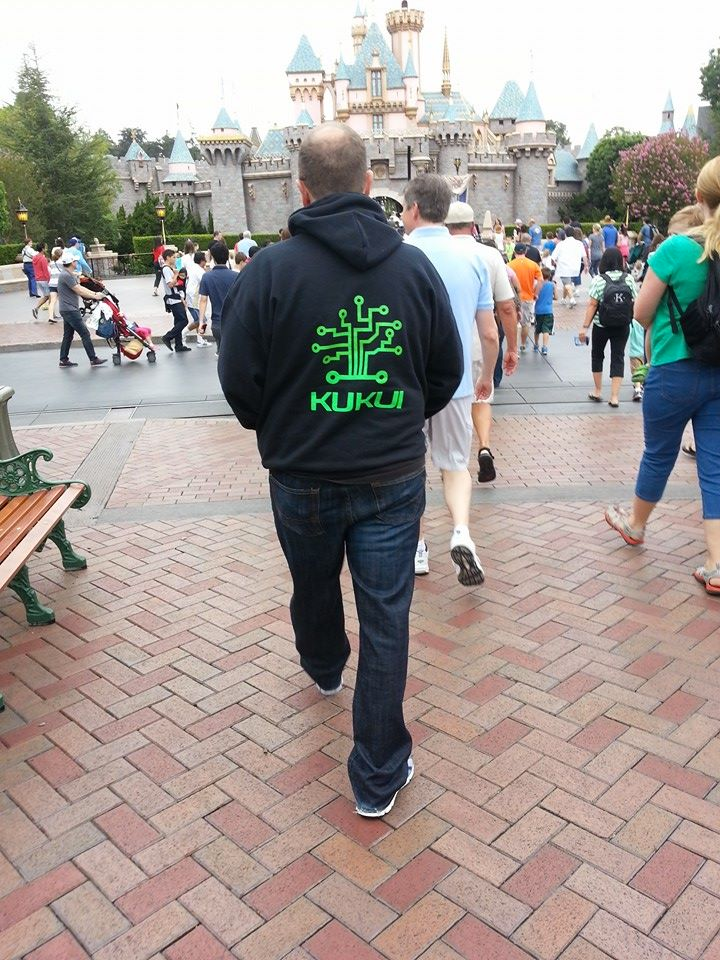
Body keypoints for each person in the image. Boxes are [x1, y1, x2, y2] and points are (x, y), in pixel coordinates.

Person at [218, 122, 463, 817]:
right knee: (387, 618)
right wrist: (396, 418)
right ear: (368, 184)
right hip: (391, 478)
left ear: (301, 191)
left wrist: (280, 426)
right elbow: (445, 370)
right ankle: (378, 773)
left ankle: (324, 664)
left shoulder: (268, 272)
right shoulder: (413, 270)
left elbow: (238, 378)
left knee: (313, 582)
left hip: (301, 475)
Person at [606, 156, 720, 596]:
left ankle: (635, 525)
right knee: (714, 466)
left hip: (673, 370)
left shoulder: (676, 249)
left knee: (658, 454)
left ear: (698, 197)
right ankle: (715, 563)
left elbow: (640, 312)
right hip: (718, 373)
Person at [403, 177, 497, 583]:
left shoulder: (397, 255)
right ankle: (461, 531)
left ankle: (418, 548)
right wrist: (485, 376)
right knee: (455, 465)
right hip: (455, 384)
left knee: (410, 470)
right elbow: (489, 333)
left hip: (405, 385)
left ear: (414, 209)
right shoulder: (474, 258)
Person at [445, 201, 518, 483]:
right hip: (480, 343)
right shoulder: (489, 255)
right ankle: (484, 445)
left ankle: (455, 465)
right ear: (473, 226)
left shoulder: (435, 253)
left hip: (443, 344)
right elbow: (507, 307)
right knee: (482, 397)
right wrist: (512, 347)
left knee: (449, 406)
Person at [578, 246, 638, 406]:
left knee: (597, 355)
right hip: (623, 324)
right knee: (618, 357)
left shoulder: (599, 280)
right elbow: (635, 300)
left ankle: (598, 391)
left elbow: (592, 305)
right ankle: (615, 396)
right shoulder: (628, 278)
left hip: (601, 324)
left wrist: (584, 327)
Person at [57, 252, 107, 368]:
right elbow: (79, 290)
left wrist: (95, 294)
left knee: (68, 335)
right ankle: (93, 359)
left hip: (67, 309)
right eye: (75, 261)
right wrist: (95, 296)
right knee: (84, 333)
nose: (76, 262)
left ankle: (63, 359)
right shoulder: (66, 275)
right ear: (71, 263)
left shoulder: (67, 274)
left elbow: (80, 288)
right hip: (70, 310)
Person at [198, 241, 237, 353]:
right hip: (234, 323)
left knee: (221, 353)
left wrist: (201, 322)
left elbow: (203, 301)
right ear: (227, 257)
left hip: (217, 323)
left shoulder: (207, 277)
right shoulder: (237, 276)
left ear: (213, 258)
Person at [507, 243, 542, 350]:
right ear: (525, 252)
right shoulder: (533, 265)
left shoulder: (509, 265)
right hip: (528, 297)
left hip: (512, 297)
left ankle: (513, 346)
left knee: (513, 323)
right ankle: (522, 344)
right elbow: (540, 280)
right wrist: (536, 293)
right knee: (526, 323)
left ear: (514, 252)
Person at [159, 248, 192, 353]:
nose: (175, 259)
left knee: (178, 321)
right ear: (168, 257)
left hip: (176, 298)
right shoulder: (166, 269)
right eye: (173, 257)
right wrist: (177, 274)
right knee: (183, 320)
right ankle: (167, 337)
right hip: (173, 299)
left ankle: (179, 345)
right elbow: (170, 284)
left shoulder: (169, 268)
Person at [552, 228, 588, 306]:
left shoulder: (561, 244)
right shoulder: (579, 243)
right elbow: (584, 256)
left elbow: (553, 257)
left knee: (567, 283)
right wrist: (586, 265)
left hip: (563, 267)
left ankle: (572, 299)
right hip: (575, 267)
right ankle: (564, 299)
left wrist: (553, 263)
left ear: (565, 234)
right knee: (566, 283)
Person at [184, 250, 209, 346]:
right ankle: (183, 333)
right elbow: (205, 282)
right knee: (201, 320)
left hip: (191, 295)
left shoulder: (192, 267)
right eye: (205, 260)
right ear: (202, 261)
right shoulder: (200, 271)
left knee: (199, 319)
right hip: (194, 297)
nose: (206, 262)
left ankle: (200, 339)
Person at [533, 267, 557, 356]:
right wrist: (551, 298)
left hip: (538, 310)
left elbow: (534, 296)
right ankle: (544, 347)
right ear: (550, 275)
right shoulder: (552, 285)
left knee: (537, 329)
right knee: (546, 329)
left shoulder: (537, 285)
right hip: (548, 310)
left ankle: (536, 345)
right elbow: (556, 297)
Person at [31, 243, 51, 318]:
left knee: (46, 296)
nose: (46, 249)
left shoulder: (34, 258)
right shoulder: (43, 259)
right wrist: (49, 280)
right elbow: (45, 271)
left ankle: (36, 308)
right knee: (50, 296)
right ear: (42, 249)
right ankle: (52, 314)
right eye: (45, 248)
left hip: (38, 279)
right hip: (44, 279)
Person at [47, 246, 63, 322]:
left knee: (52, 301)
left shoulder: (52, 263)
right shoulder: (62, 263)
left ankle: (51, 317)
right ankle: (64, 314)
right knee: (62, 300)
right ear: (61, 255)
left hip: (52, 283)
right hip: (59, 283)